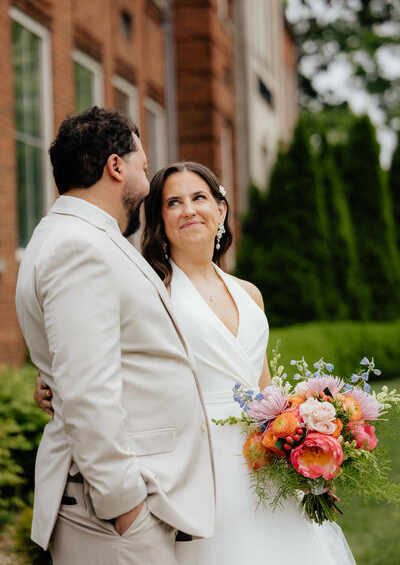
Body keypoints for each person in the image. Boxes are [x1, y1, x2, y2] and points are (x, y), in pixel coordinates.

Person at [35, 160, 356, 564]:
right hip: (194, 466)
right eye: (173, 202)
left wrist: (305, 441)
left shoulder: (250, 294)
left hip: (263, 463)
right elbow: (88, 349)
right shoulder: (150, 292)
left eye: (199, 197)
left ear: (220, 210)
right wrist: (48, 380)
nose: (188, 210)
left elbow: (264, 388)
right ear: (159, 218)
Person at [16, 109, 215, 565]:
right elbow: (88, 392)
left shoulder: (73, 236)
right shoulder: (79, 248)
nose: (147, 181)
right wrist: (125, 507)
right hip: (112, 519)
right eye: (144, 167)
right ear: (116, 166)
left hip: (118, 512)